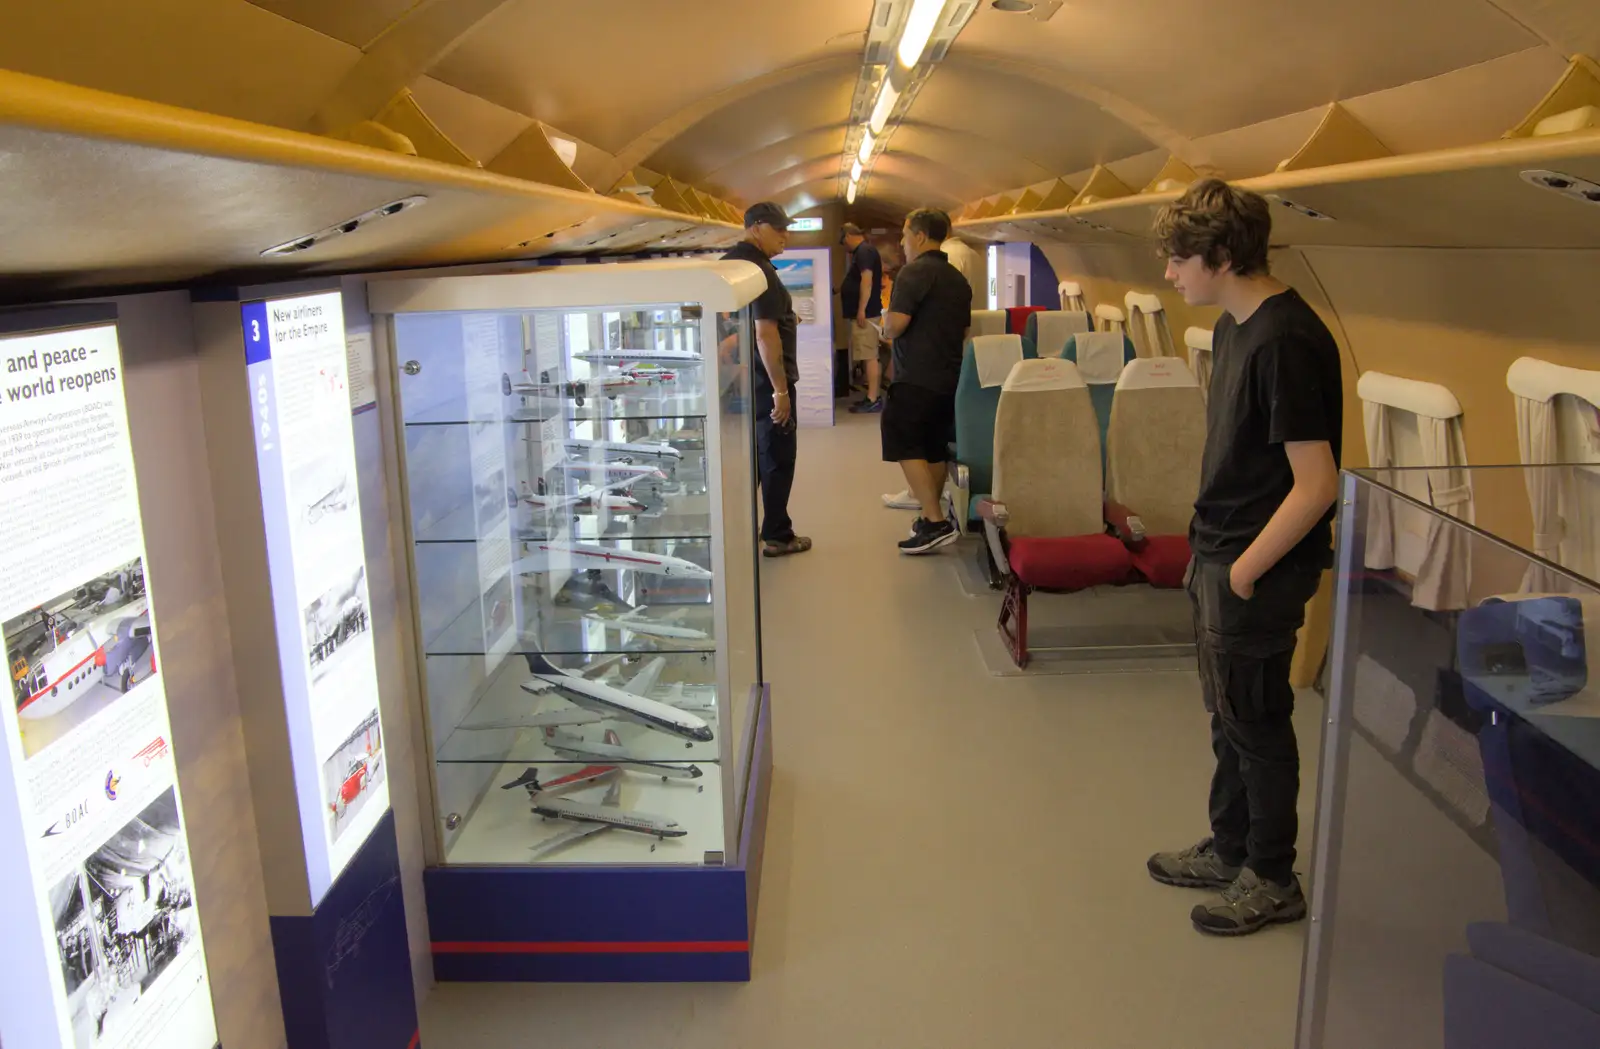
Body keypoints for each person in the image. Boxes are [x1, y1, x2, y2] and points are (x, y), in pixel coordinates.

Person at [1145, 178, 1342, 936]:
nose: (1170, 274)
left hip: (1253, 567)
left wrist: (1245, 568)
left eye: (1179, 258)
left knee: (1258, 722)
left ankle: (1271, 873)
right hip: (1218, 553)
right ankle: (1230, 848)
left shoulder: (1285, 341)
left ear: (1221, 255)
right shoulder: (1233, 329)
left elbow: (1316, 482)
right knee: (1227, 717)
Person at [879, 208, 971, 554]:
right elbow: (963, 330)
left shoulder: (913, 273)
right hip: (950, 376)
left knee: (904, 440)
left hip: (916, 375)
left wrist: (886, 327)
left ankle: (934, 521)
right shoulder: (957, 279)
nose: (903, 245)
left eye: (904, 237)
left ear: (918, 236)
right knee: (934, 448)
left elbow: (895, 325)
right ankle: (930, 518)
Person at [722, 202, 811, 557]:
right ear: (756, 227)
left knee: (752, 462)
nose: (785, 236)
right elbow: (764, 334)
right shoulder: (758, 271)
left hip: (741, 381)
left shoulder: (729, 265)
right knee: (777, 457)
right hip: (765, 382)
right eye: (779, 228)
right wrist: (780, 391)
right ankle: (777, 535)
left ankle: (738, 533)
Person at [839, 222, 886, 413]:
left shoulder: (864, 251)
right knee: (867, 355)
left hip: (866, 314)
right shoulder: (862, 252)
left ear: (849, 236)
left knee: (869, 356)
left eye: (843, 242)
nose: (845, 246)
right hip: (865, 313)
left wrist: (861, 310)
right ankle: (871, 396)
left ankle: (873, 398)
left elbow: (866, 281)